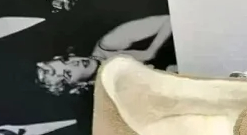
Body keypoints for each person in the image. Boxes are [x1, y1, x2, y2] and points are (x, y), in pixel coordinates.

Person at [35, 15, 172, 95]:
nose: (74, 63)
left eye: (66, 60)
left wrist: (150, 52)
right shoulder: (110, 96)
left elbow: (169, 19)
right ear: (77, 86)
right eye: (68, 73)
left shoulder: (108, 44)